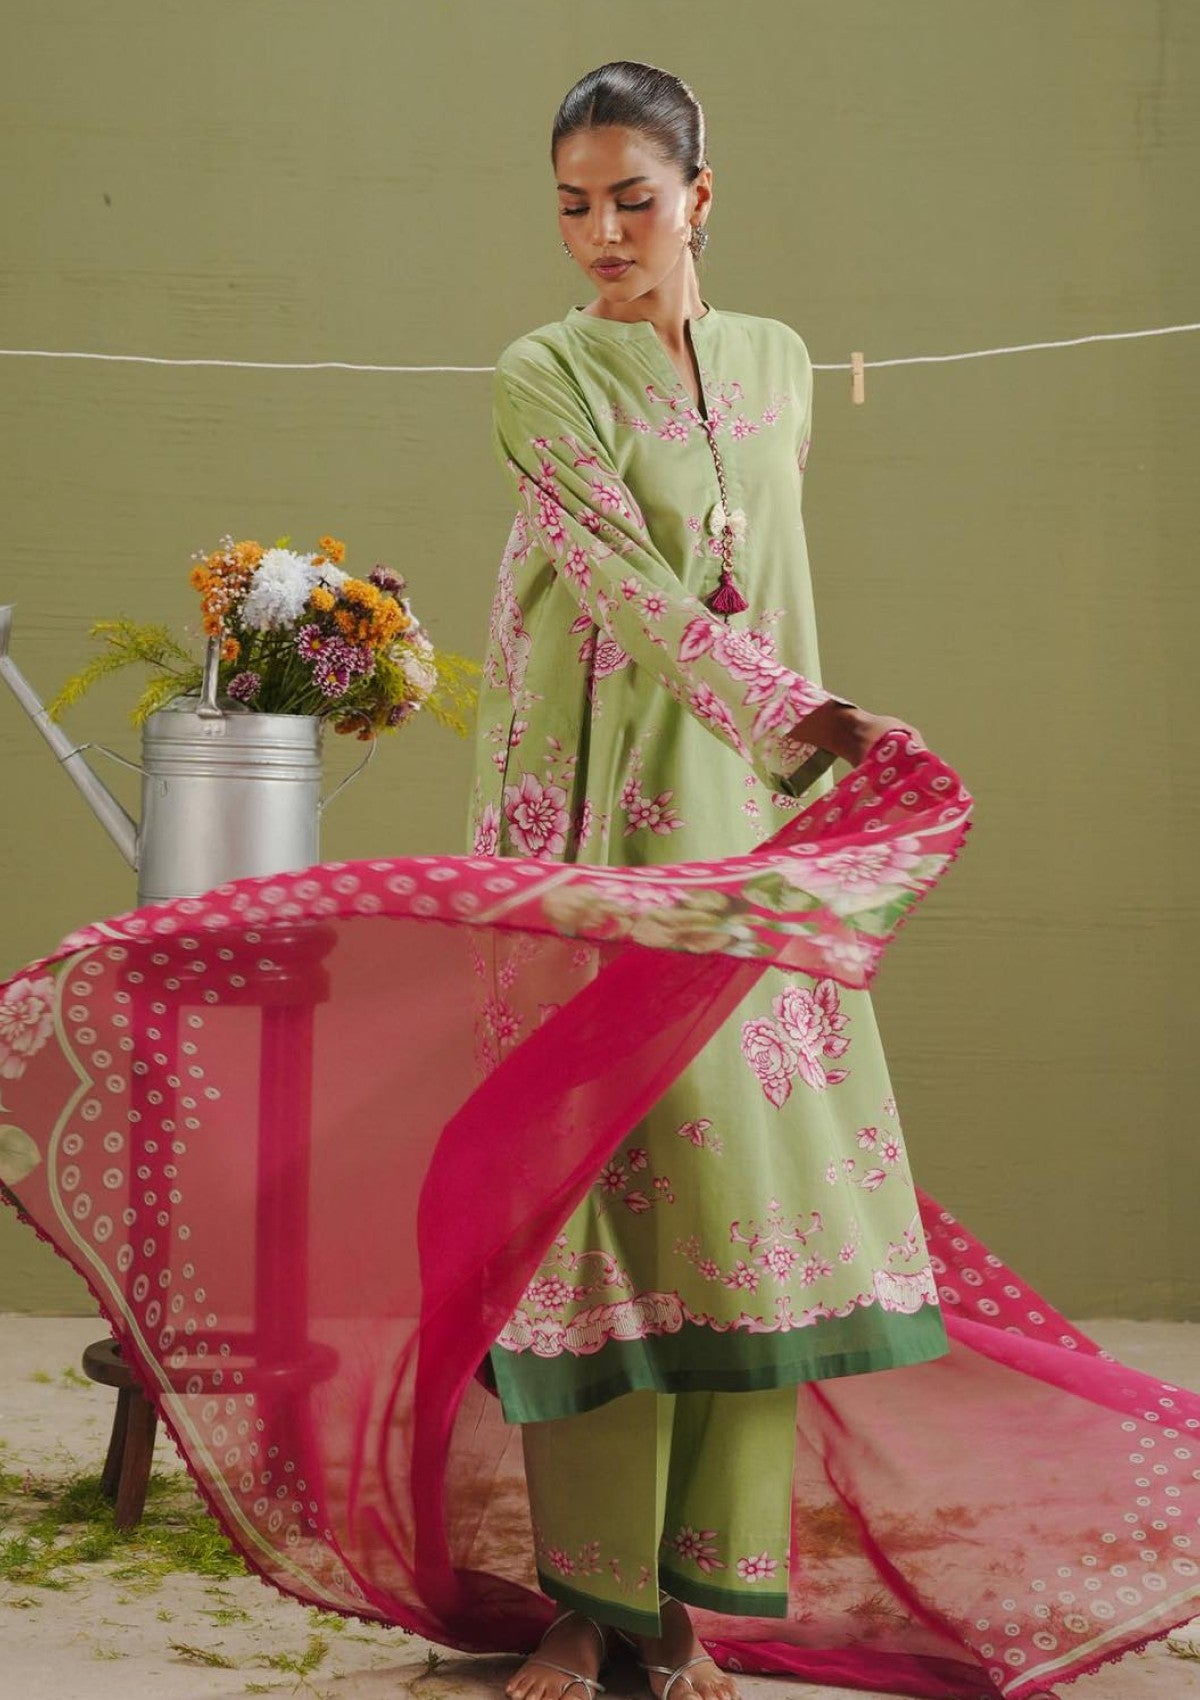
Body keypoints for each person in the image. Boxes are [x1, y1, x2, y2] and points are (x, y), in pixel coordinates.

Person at [467, 60, 943, 1700]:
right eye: (574, 204)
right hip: (591, 819)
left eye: (634, 199)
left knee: (748, 1202)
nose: (603, 233)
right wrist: (800, 716)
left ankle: (686, 1597)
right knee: (595, 1197)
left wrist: (813, 776)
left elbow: (773, 577)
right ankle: (591, 1603)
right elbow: (627, 588)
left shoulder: (779, 363)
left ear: (701, 198)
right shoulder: (542, 373)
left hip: (751, 817)